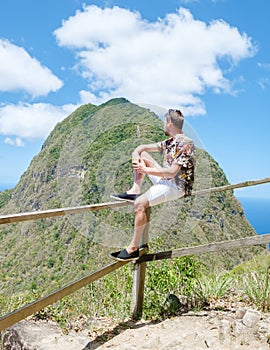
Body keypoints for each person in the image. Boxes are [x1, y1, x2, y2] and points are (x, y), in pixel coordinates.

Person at [110, 109, 196, 261]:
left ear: (170, 123)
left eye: (165, 121)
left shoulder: (185, 144)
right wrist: (136, 154)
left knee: (140, 204)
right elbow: (143, 148)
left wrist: (145, 169)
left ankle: (133, 248)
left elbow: (171, 172)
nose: (164, 125)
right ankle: (135, 189)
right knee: (143, 155)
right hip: (164, 179)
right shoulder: (169, 143)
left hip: (176, 186)